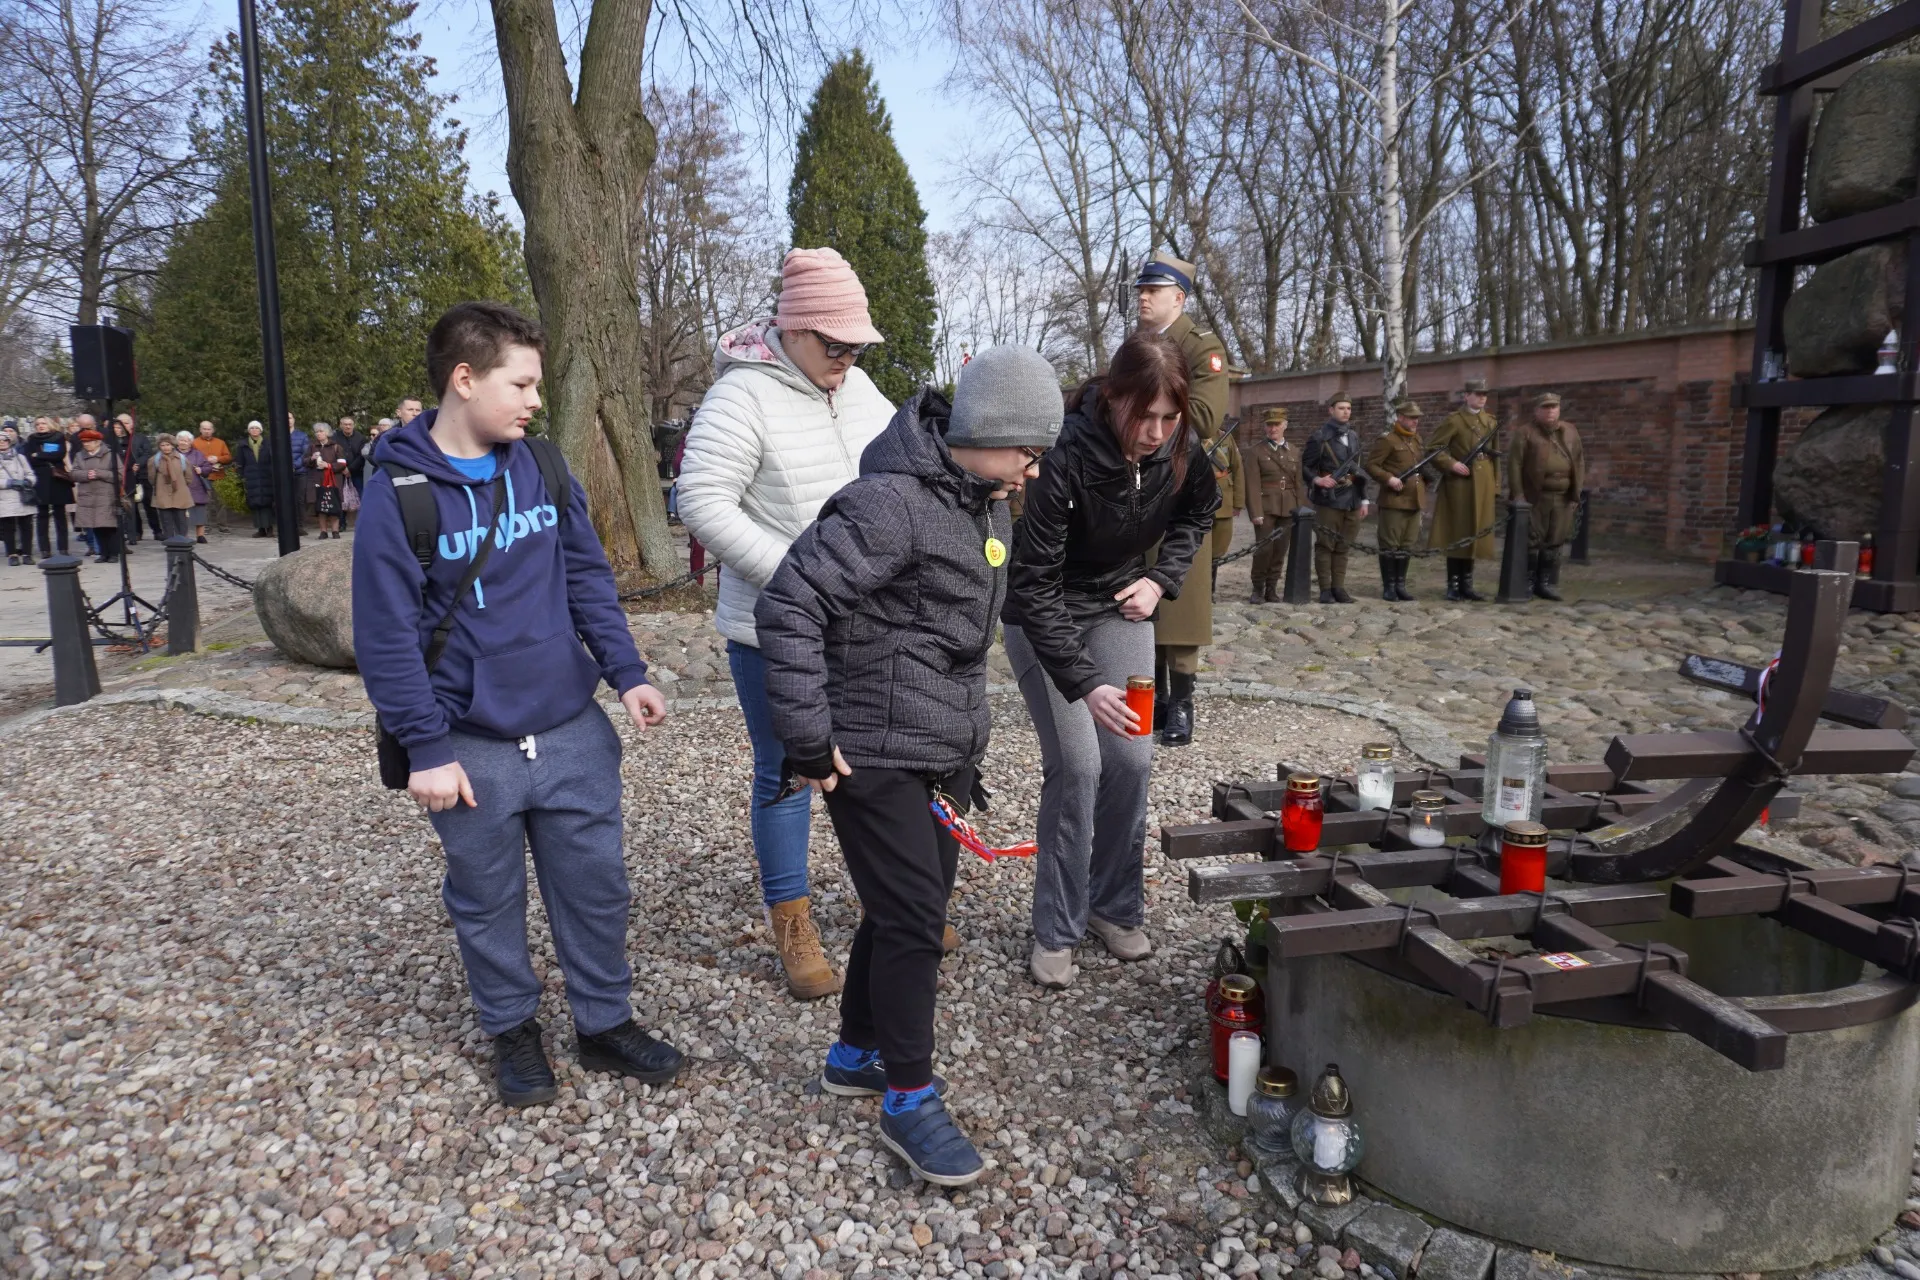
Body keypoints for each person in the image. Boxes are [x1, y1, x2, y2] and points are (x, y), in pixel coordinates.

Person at [354, 300, 681, 1107]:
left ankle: (604, 1023)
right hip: (470, 751)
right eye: (522, 382)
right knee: (486, 900)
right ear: (465, 380)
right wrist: (427, 749)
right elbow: (387, 638)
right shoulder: (400, 493)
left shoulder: (543, 465)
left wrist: (627, 671)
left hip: (571, 732)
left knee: (597, 887)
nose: (536, 399)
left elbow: (586, 579)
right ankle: (511, 1029)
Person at [756, 346, 1063, 1187]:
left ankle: (857, 1053)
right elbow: (789, 604)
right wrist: (809, 740)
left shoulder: (987, 506)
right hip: (871, 751)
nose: (1034, 470)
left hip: (945, 753)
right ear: (986, 433)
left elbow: (974, 627)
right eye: (1028, 451)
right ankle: (909, 1098)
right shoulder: (889, 504)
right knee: (915, 923)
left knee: (902, 913)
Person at [676, 246, 896, 1001]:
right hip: (772, 628)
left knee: (873, 761)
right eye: (833, 344)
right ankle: (793, 920)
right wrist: (800, 575)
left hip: (863, 626)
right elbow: (701, 503)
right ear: (794, 330)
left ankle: (891, 901)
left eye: (855, 345)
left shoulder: (862, 390)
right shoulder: (740, 398)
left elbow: (901, 479)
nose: (846, 358)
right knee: (787, 774)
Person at [1003, 331, 1219, 989]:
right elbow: (1033, 584)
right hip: (1045, 614)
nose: (1154, 432)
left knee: (1132, 757)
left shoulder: (1181, 445)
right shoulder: (1063, 453)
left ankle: (1113, 907)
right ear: (1112, 396)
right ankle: (1057, 927)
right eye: (1142, 415)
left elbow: (1199, 511)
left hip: (1121, 604)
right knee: (1079, 766)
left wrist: (1161, 578)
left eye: (1168, 418)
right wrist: (1085, 683)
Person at [1132, 250, 1230, 749]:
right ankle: (1155, 698)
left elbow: (1205, 416)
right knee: (1136, 598)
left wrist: (1142, 413)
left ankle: (1184, 702)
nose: (1143, 298)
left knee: (1183, 598)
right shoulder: (1136, 345)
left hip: (1181, 486)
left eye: (1153, 290)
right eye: (1141, 291)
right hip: (1135, 488)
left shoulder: (1202, 347)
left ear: (1179, 297)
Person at [1508, 392, 1585, 601]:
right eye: (1545, 407)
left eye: (1553, 407)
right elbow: (1515, 464)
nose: (1550, 411)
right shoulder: (1526, 433)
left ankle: (1544, 583)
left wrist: (1576, 493)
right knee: (1533, 540)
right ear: (1537, 410)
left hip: (1562, 496)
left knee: (1555, 540)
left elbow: (1578, 461)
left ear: (1559, 409)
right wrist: (1518, 494)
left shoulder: (1569, 431)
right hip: (1536, 496)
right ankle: (1528, 582)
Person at [1426, 378, 1498, 601]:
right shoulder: (1454, 421)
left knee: (1476, 532)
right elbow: (1434, 448)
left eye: (1484, 394)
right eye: (1477, 394)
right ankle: (1453, 584)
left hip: (1483, 481)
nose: (1482, 397)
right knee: (1458, 532)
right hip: (1459, 483)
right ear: (1466, 396)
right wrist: (1451, 464)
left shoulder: (1491, 422)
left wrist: (1495, 484)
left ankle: (1467, 583)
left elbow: (1495, 455)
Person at [1302, 393, 1371, 604]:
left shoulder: (1353, 436)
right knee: (1326, 545)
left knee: (1343, 545)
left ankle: (1338, 588)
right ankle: (1325, 589)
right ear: (1331, 410)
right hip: (1329, 499)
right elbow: (1305, 467)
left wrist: (1364, 499)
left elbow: (1359, 470)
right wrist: (1317, 481)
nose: (1346, 412)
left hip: (1351, 497)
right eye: (1341, 408)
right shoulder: (1319, 437)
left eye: (1348, 408)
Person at [1364, 399, 1431, 602]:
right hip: (1394, 500)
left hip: (1414, 499)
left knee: (1406, 544)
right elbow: (1372, 465)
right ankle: (1389, 586)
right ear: (1400, 417)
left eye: (1417, 418)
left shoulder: (1416, 440)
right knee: (1390, 544)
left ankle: (1401, 585)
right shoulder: (1388, 440)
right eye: (1411, 418)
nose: (1415, 422)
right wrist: (1389, 479)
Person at [1243, 407, 1305, 603]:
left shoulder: (1294, 451)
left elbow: (1298, 483)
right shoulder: (1255, 452)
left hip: (1288, 507)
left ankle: (1272, 588)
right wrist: (1255, 511)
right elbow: (1251, 484)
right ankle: (1258, 589)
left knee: (1280, 550)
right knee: (1264, 550)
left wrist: (1300, 509)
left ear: (1285, 425)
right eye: (1269, 425)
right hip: (1266, 507)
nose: (1272, 429)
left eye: (1276, 424)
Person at [25, 415, 74, 558]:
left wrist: (38, 454)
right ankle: (45, 549)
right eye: (38, 424)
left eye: (43, 423)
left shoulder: (58, 437)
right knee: (42, 515)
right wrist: (44, 455)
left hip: (56, 478)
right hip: (40, 479)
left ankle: (63, 548)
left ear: (50, 424)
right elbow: (29, 459)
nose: (41, 426)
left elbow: (59, 455)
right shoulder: (32, 439)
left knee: (60, 515)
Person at [71, 428, 122, 563]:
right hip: (88, 496)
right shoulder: (79, 456)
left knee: (109, 526)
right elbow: (74, 473)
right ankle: (103, 553)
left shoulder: (110, 455)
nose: (86, 444)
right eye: (84, 442)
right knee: (96, 526)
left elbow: (119, 475)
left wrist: (100, 473)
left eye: (89, 442)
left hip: (106, 495)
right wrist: (86, 475)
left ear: (98, 442)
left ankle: (114, 553)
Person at [115, 413, 156, 543]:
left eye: (126, 423)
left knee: (149, 503)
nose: (123, 426)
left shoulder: (140, 438)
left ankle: (157, 530)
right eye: (120, 423)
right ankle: (136, 532)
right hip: (127, 476)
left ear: (132, 424)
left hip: (142, 474)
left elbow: (147, 452)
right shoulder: (116, 440)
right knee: (131, 506)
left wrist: (138, 463)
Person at [149, 434, 194, 541]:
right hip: (163, 493)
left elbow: (188, 477)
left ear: (172, 445)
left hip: (179, 492)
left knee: (181, 520)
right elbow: (151, 478)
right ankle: (170, 542)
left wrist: (180, 485)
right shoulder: (154, 460)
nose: (165, 447)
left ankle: (182, 542)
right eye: (162, 445)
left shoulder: (181, 459)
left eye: (168, 444)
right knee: (166, 521)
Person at [0, 431, 35, 565]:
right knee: (8, 527)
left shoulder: (20, 458)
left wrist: (28, 481)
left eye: (5, 440)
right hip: (5, 497)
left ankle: (27, 554)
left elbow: (30, 473)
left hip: (23, 496)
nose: (2, 442)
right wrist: (8, 483)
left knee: (26, 525)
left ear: (10, 442)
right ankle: (12, 554)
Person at [309, 423, 349, 539]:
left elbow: (342, 464)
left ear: (327, 433)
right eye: (317, 432)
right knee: (321, 506)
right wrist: (311, 459)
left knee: (334, 505)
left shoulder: (336, 447)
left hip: (334, 481)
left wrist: (328, 465)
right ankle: (323, 531)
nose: (319, 434)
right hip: (318, 480)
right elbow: (305, 461)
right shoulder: (312, 447)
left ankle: (335, 531)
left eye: (321, 431)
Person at [237, 421, 276, 537]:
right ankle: (260, 528)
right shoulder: (243, 445)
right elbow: (240, 463)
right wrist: (241, 477)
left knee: (267, 502)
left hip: (266, 476)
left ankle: (269, 527)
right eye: (252, 428)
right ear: (249, 431)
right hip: (251, 477)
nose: (254, 430)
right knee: (255, 503)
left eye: (256, 428)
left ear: (261, 430)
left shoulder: (268, 443)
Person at [195, 421, 234, 532]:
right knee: (205, 502)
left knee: (221, 502)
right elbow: (192, 458)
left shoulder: (220, 442)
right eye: (204, 429)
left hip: (219, 475)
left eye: (209, 429)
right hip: (203, 477)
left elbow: (228, 457)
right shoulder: (195, 443)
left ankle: (222, 525)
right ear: (200, 430)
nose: (207, 431)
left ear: (213, 430)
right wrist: (207, 459)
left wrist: (217, 459)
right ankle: (205, 526)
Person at [176, 431, 214, 543]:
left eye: (186, 441)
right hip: (179, 487)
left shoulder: (197, 454)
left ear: (190, 442)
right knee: (182, 512)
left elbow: (207, 467)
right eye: (181, 440)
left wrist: (201, 470)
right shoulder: (173, 454)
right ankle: (184, 535)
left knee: (199, 511)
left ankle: (200, 535)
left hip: (196, 485)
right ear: (177, 441)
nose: (183, 443)